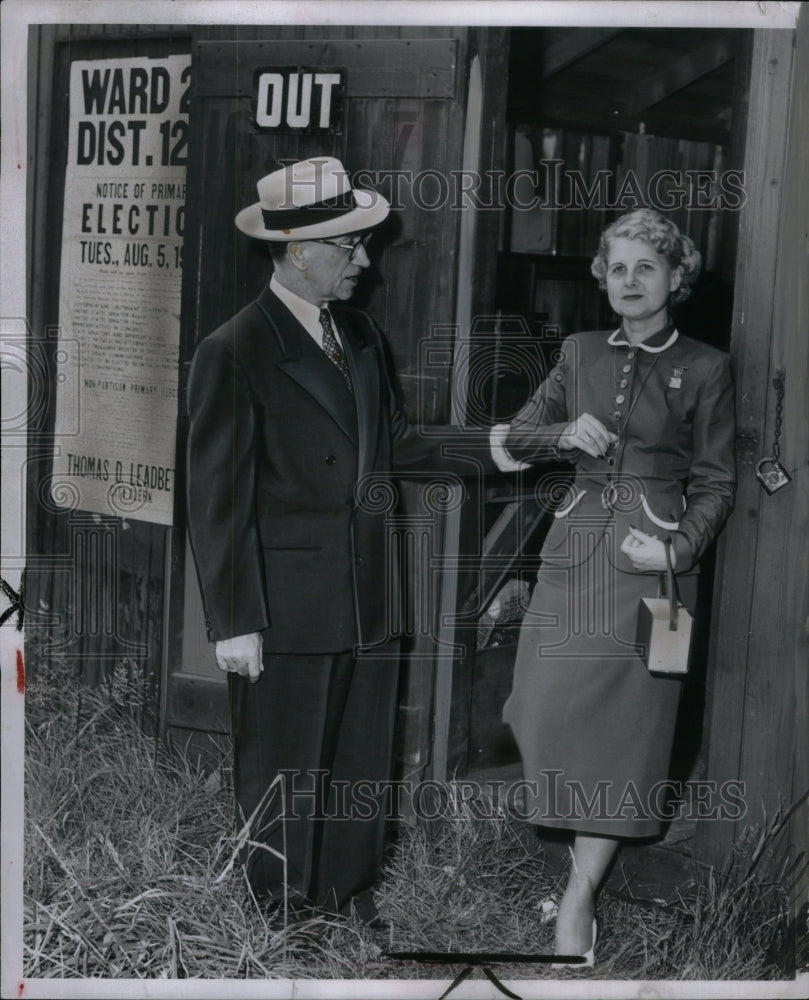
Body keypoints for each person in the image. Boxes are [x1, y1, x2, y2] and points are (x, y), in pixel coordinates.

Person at [186, 156, 484, 926]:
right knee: (286, 769)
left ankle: (346, 898)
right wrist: (235, 620)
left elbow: (397, 446)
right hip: (286, 606)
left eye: (363, 245)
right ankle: (278, 918)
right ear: (296, 250)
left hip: (368, 593)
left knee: (358, 759)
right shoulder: (235, 349)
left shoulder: (357, 334)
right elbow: (215, 500)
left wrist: (512, 442)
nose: (364, 260)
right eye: (350, 246)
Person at [492, 208, 736, 964]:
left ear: (675, 279)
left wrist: (673, 545)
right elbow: (519, 436)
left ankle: (576, 900)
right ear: (602, 278)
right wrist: (564, 434)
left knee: (622, 739)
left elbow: (717, 483)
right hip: (571, 557)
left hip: (651, 571)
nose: (629, 282)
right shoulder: (577, 351)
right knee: (536, 710)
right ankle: (577, 873)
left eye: (646, 268)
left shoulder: (705, 367)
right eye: (617, 268)